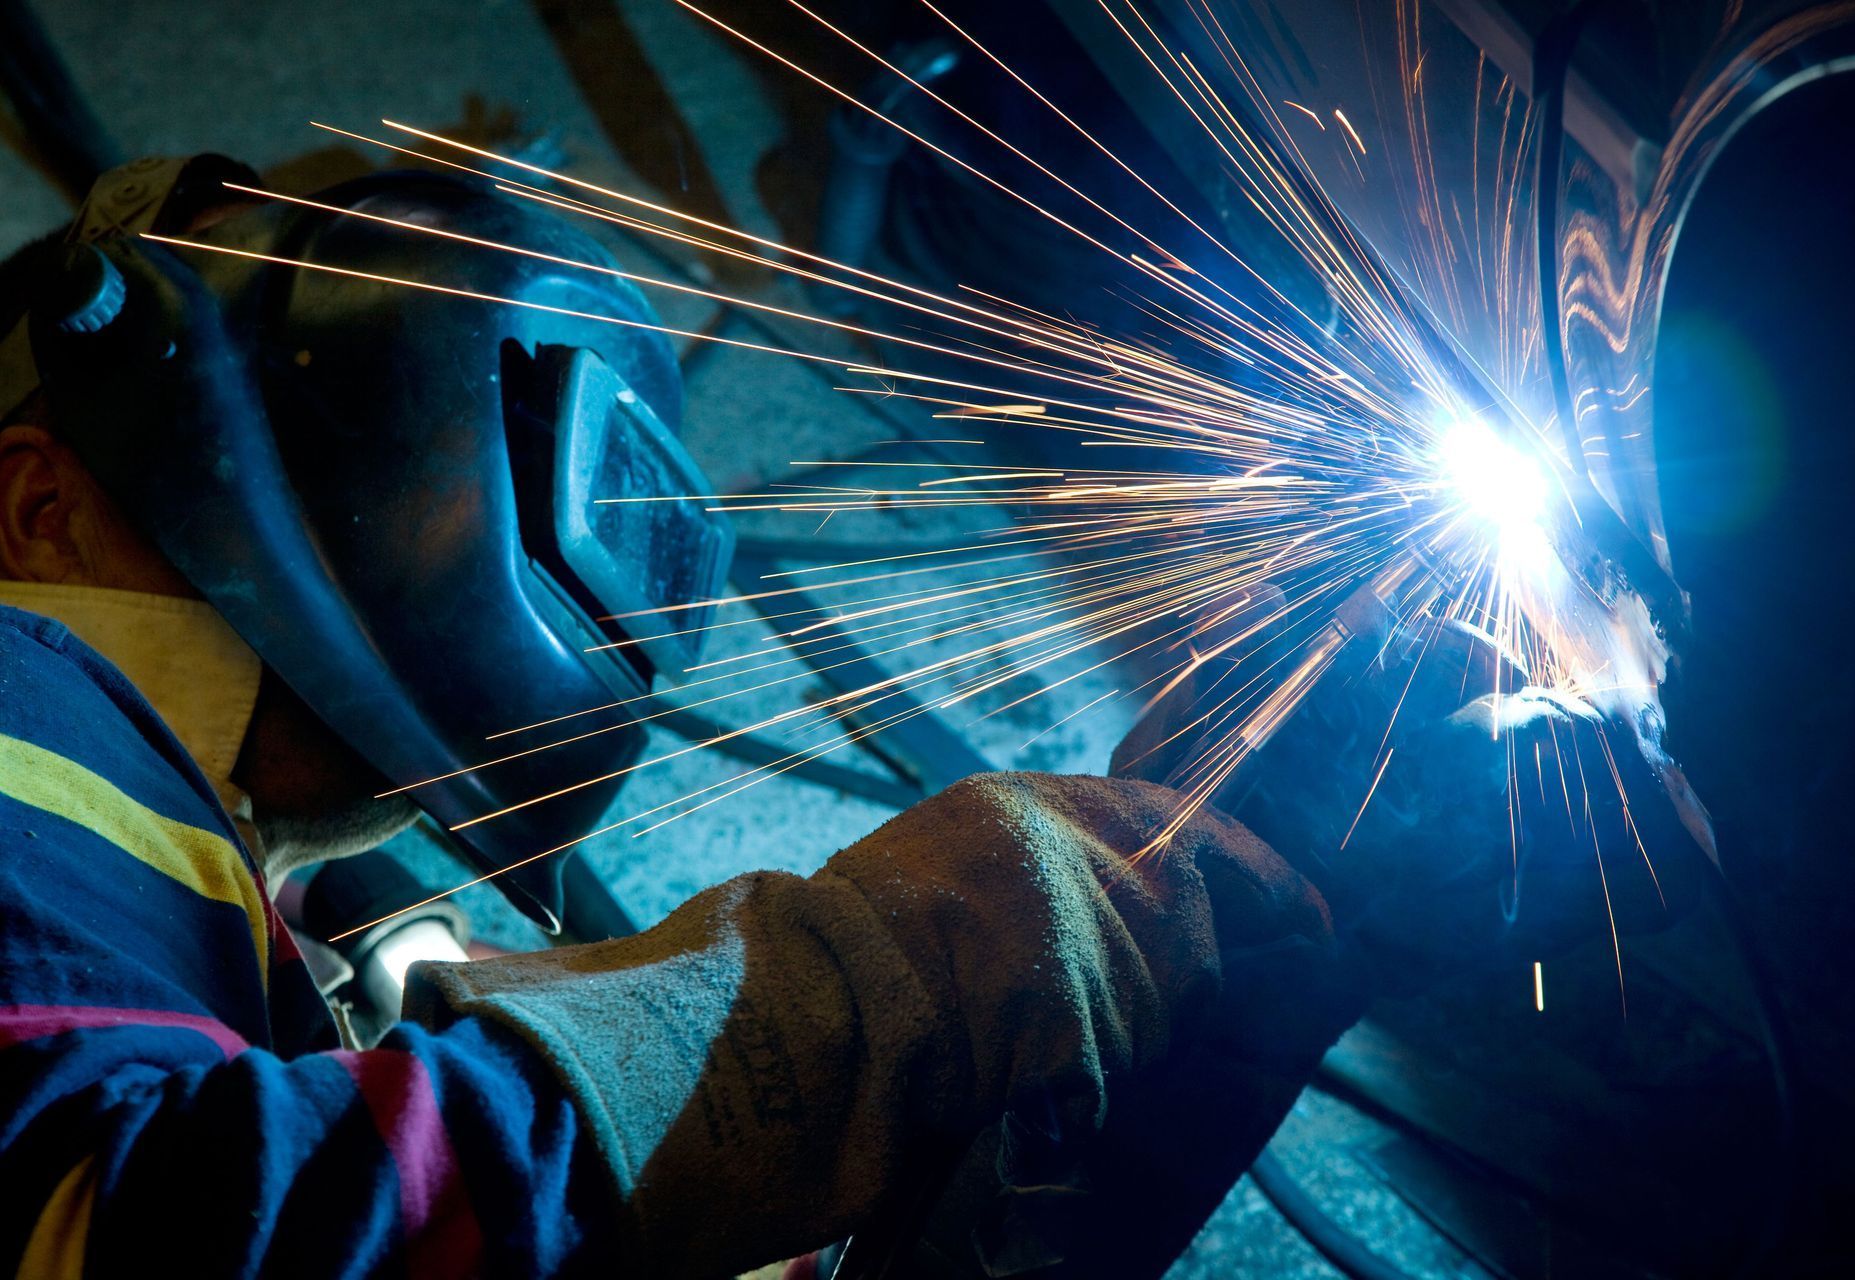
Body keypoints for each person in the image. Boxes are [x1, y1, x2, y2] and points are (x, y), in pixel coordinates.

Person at [0, 155, 1695, 1278]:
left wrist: (1217, 940)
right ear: (30, 494)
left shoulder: (226, 917)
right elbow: (159, 1233)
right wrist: (942, 950)